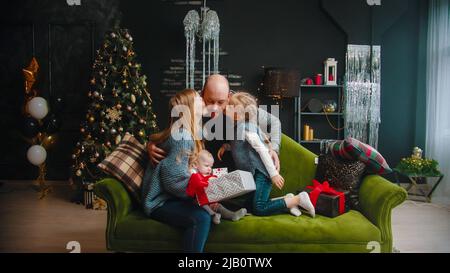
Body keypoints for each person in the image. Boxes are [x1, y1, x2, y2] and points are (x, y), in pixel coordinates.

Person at [147, 74, 281, 211]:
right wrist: (151, 145)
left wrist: (274, 149)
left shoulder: (239, 105)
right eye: (210, 101)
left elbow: (274, 122)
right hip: (203, 179)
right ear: (202, 94)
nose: (215, 108)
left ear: (229, 97)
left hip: (237, 177)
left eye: (221, 102)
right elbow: (170, 132)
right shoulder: (194, 106)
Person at [218, 92, 316, 217]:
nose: (227, 107)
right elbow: (242, 146)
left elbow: (262, 150)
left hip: (262, 173)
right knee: (250, 206)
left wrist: (273, 174)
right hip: (254, 174)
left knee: (259, 208)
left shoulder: (246, 128)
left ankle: (298, 199)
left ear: (239, 114)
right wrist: (226, 147)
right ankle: (288, 200)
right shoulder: (239, 126)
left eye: (231, 106)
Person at [141, 89, 211, 253]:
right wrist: (202, 189)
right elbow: (174, 181)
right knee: (201, 218)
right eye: (198, 98)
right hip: (160, 202)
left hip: (173, 197)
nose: (202, 99)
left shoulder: (187, 134)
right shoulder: (182, 137)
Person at [186, 149, 247, 224]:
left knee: (218, 206)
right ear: (195, 165)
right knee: (202, 203)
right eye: (206, 165)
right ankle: (213, 215)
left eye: (211, 166)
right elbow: (196, 183)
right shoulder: (194, 174)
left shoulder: (205, 173)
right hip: (196, 201)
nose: (209, 169)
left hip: (208, 198)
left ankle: (232, 215)